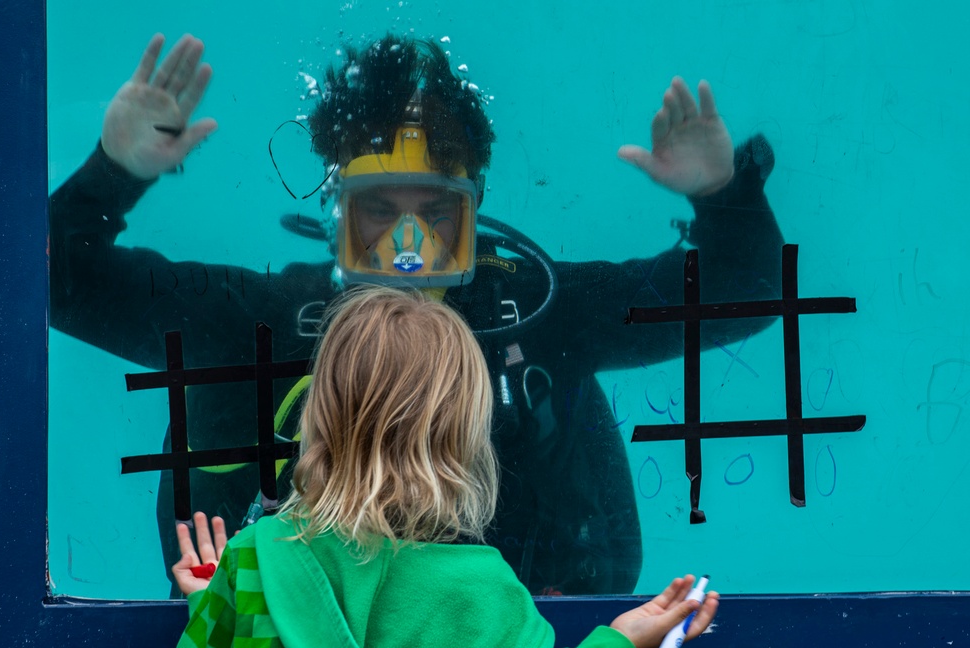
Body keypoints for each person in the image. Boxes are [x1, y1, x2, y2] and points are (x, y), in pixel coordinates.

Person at [49, 32, 785, 596]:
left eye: (436, 215)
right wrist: (113, 171)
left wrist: (725, 194)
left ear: (476, 214)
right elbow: (48, 280)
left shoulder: (529, 312)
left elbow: (745, 292)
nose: (407, 253)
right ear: (336, 218)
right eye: (378, 216)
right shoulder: (262, 322)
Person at [163, 286, 721, 648]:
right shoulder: (490, 596)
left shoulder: (256, 561)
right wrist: (618, 644)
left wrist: (217, 606)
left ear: (319, 420)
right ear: (466, 442)